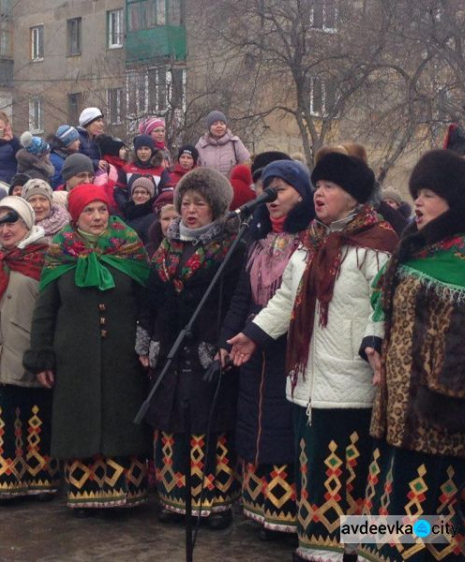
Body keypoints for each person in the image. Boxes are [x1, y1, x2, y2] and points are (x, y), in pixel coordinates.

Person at [228, 152, 399, 562]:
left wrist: (374, 341)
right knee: (315, 478)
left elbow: (384, 304)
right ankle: (316, 549)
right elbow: (286, 297)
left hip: (351, 383)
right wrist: (253, 335)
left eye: (330, 187)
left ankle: (352, 551)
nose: (318, 194)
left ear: (354, 196)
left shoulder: (377, 243)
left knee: (349, 478)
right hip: (305, 383)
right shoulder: (310, 241)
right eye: (317, 186)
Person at [359, 150, 465, 562]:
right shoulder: (418, 248)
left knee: (429, 526)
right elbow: (380, 299)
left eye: (429, 194)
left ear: (456, 199)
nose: (420, 203)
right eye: (417, 194)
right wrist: (373, 340)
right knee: (386, 511)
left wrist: (449, 397)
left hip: (439, 421)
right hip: (394, 412)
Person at [23, 184, 151, 515]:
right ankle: (83, 495)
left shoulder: (130, 247)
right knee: (78, 420)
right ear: (76, 217)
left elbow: (147, 302)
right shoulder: (60, 251)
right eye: (88, 212)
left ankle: (127, 493)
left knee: (121, 419)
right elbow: (45, 309)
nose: (96, 217)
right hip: (73, 356)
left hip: (122, 355)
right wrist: (42, 356)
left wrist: (147, 343)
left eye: (102, 210)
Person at [137, 167, 245, 530]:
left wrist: (223, 344)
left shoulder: (231, 247)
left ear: (215, 207)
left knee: (207, 423)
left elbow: (235, 301)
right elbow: (150, 298)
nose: (191, 209)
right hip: (170, 345)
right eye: (185, 203)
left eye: (199, 203)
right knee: (170, 422)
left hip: (209, 346)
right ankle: (175, 498)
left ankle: (212, 503)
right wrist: (146, 338)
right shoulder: (168, 244)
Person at [219, 160, 315, 541]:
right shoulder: (256, 240)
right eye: (267, 189)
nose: (271, 197)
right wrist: (228, 339)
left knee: (281, 422)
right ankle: (261, 510)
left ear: (302, 194)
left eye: (281, 189)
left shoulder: (308, 240)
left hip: (289, 344)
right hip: (253, 343)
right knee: (255, 419)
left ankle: (286, 514)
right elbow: (242, 295)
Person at [0, 196, 58, 499]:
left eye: (13, 222)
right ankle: (5, 481)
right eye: (1, 222)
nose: (6, 229)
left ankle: (39, 479)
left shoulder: (44, 257)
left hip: (27, 349)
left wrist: (44, 354)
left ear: (28, 224)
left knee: (33, 416)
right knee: (0, 416)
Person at [115, 134, 170, 211]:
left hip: (153, 212)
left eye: (146, 149)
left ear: (152, 150)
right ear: (136, 151)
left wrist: (158, 208)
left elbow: (166, 193)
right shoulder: (127, 169)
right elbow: (119, 191)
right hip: (131, 212)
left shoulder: (161, 170)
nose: (143, 152)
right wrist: (125, 206)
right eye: (140, 149)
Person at [195, 110, 251, 176]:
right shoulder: (201, 145)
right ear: (209, 127)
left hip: (231, 185)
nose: (219, 126)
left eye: (222, 123)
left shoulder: (235, 142)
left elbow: (247, 163)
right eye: (215, 124)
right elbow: (194, 169)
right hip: (208, 185)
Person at [121, 176, 157, 243]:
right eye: (136, 192)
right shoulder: (125, 213)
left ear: (150, 195)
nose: (139, 195)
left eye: (143, 192)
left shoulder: (153, 217)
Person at [145, 191, 177, 257]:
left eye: (176, 218)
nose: (171, 224)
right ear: (159, 220)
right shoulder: (149, 251)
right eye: (166, 219)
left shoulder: (194, 248)